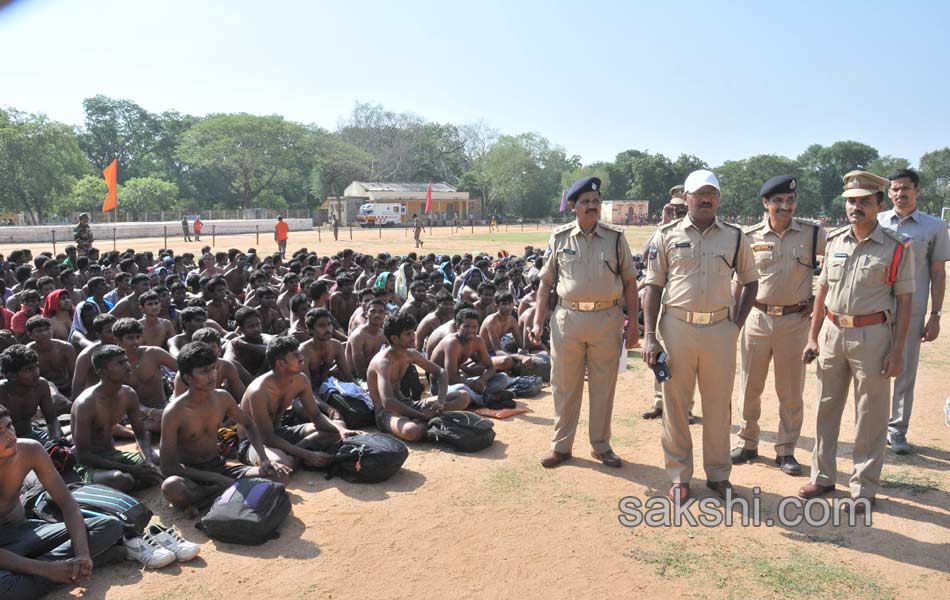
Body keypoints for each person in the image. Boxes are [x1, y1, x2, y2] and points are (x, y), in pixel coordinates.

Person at [799, 171, 915, 513]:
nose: (856, 207)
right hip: (833, 333)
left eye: (865, 201)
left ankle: (864, 486)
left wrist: (897, 351)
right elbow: (822, 290)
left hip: (873, 335)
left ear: (880, 204)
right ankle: (822, 476)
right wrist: (812, 335)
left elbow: (905, 301)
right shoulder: (834, 241)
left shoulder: (896, 247)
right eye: (851, 201)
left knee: (870, 413)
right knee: (826, 406)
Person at [641, 169, 758, 501]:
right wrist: (650, 334)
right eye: (699, 194)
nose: (706, 199)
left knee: (719, 405)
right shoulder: (666, 235)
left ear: (718, 199)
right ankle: (679, 476)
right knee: (676, 404)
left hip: (720, 328)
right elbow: (652, 287)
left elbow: (751, 281)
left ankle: (718, 474)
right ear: (687, 198)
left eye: (712, 194)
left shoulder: (735, 237)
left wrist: (735, 323)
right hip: (677, 327)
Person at [531, 176, 640, 469]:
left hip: (607, 319)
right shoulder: (559, 237)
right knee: (564, 385)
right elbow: (546, 283)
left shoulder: (616, 238)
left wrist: (633, 325)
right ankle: (561, 446)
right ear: (573, 207)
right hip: (568, 319)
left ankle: (601, 446)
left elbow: (630, 282)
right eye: (585, 202)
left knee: (604, 386)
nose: (592, 206)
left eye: (595, 201)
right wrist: (537, 320)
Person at [730, 176, 826, 476]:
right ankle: (747, 441)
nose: (785, 206)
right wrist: (733, 322)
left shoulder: (813, 234)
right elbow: (738, 281)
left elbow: (837, 268)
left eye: (790, 201)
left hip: (795, 321)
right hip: (756, 318)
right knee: (749, 385)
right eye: (779, 201)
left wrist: (820, 300)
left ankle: (786, 449)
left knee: (791, 390)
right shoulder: (749, 236)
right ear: (766, 203)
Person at [0, 404, 126, 598]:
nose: (9, 435)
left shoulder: (30, 450)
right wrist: (47, 569)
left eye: (9, 426)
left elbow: (68, 504)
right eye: (0, 432)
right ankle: (84, 563)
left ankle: (58, 569)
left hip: (26, 533)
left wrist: (83, 554)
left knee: (109, 525)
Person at [161, 342, 288, 511]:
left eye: (213, 368)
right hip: (190, 475)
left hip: (219, 468)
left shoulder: (222, 398)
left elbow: (249, 425)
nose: (212, 375)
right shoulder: (174, 412)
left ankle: (213, 496)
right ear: (188, 378)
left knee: (276, 475)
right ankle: (223, 490)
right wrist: (213, 478)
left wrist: (264, 459)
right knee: (171, 488)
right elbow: (168, 466)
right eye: (204, 371)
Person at [877, 168, 949, 454]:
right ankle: (874, 427)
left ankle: (897, 431)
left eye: (905, 188)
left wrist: (935, 315)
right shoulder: (878, 222)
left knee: (904, 371)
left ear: (917, 190)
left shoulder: (933, 227)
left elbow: (938, 273)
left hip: (913, 310)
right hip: (877, 308)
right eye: (894, 189)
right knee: (873, 369)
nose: (899, 194)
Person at [237, 336, 361, 472]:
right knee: (282, 463)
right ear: (281, 363)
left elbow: (316, 416)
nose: (301, 357)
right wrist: (307, 454)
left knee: (336, 430)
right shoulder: (259, 391)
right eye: (296, 355)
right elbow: (267, 437)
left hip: (279, 432)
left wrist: (341, 430)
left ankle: (295, 454)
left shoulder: (301, 380)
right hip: (256, 441)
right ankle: (298, 456)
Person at [70, 345, 163, 491]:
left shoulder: (128, 394)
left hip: (114, 456)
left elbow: (140, 434)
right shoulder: (86, 404)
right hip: (92, 465)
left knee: (160, 461)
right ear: (102, 372)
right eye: (120, 363)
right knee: (120, 479)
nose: (127, 366)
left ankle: (139, 478)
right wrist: (131, 469)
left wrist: (148, 461)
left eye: (126, 361)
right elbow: (83, 456)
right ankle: (135, 479)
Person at [366, 313, 470, 442]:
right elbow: (388, 402)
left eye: (413, 332)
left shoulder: (411, 354)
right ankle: (429, 421)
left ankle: (427, 421)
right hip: (386, 412)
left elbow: (441, 372)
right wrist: (420, 415)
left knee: (463, 396)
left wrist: (441, 402)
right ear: (394, 338)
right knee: (412, 431)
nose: (413, 336)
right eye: (408, 334)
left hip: (408, 404)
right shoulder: (383, 362)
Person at [642, 189, 691, 421]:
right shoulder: (665, 232)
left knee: (687, 358)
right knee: (659, 354)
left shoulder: (694, 232)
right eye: (674, 210)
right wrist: (663, 223)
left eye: (682, 209)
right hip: (661, 299)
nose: (679, 213)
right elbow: (644, 255)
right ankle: (659, 401)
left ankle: (686, 406)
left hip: (683, 302)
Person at [112, 318, 178, 433]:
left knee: (172, 420)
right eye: (130, 338)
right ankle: (133, 431)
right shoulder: (113, 363)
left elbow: (185, 371)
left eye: (138, 337)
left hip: (161, 409)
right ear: (117, 340)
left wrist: (177, 395)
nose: (136, 341)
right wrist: (149, 412)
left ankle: (133, 431)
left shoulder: (154, 353)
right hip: (131, 415)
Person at [0, 345, 61, 444]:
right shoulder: (1, 393)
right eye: (28, 370)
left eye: (36, 366)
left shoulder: (41, 385)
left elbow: (52, 419)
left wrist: (56, 439)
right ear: (11, 375)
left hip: (33, 435)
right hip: (7, 442)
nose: (36, 373)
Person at [25, 316, 76, 400]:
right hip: (41, 390)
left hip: (67, 387)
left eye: (47, 329)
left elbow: (75, 374)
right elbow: (29, 380)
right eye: (39, 331)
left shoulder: (66, 348)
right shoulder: (28, 352)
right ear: (30, 335)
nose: (45, 333)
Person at [300, 308, 353, 389]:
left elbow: (348, 377)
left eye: (329, 324)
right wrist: (321, 402)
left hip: (328, 386)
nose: (327, 328)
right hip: (308, 390)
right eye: (321, 325)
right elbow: (306, 388)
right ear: (310, 330)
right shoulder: (304, 351)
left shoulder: (336, 346)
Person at [71, 314, 117, 398]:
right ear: (98, 334)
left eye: (116, 330)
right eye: (109, 331)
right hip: (95, 398)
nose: (114, 335)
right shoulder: (87, 356)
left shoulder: (125, 347)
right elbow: (77, 386)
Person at [345, 299, 387, 380]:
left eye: (381, 311)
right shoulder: (358, 336)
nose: (377, 314)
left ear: (385, 315)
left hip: (373, 373)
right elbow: (359, 370)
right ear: (366, 314)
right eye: (373, 311)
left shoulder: (383, 335)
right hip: (355, 377)